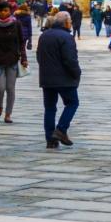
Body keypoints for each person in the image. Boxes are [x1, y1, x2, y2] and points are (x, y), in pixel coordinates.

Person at [36, 9, 81, 149]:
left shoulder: (44, 35)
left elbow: (39, 57)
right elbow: (70, 60)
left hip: (47, 78)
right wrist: (76, 73)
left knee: (49, 108)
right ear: (66, 22)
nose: (71, 23)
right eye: (70, 21)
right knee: (72, 103)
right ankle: (61, 130)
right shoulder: (67, 37)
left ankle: (50, 140)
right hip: (64, 79)